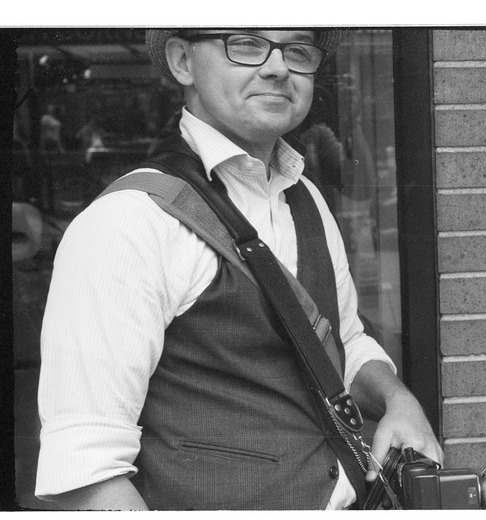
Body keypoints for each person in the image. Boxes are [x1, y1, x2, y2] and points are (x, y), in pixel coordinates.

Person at [35, 29, 442, 510]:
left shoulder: (305, 197)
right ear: (182, 61)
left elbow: (342, 340)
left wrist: (398, 400)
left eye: (297, 49)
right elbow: (87, 473)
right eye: (246, 44)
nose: (277, 68)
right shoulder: (128, 220)